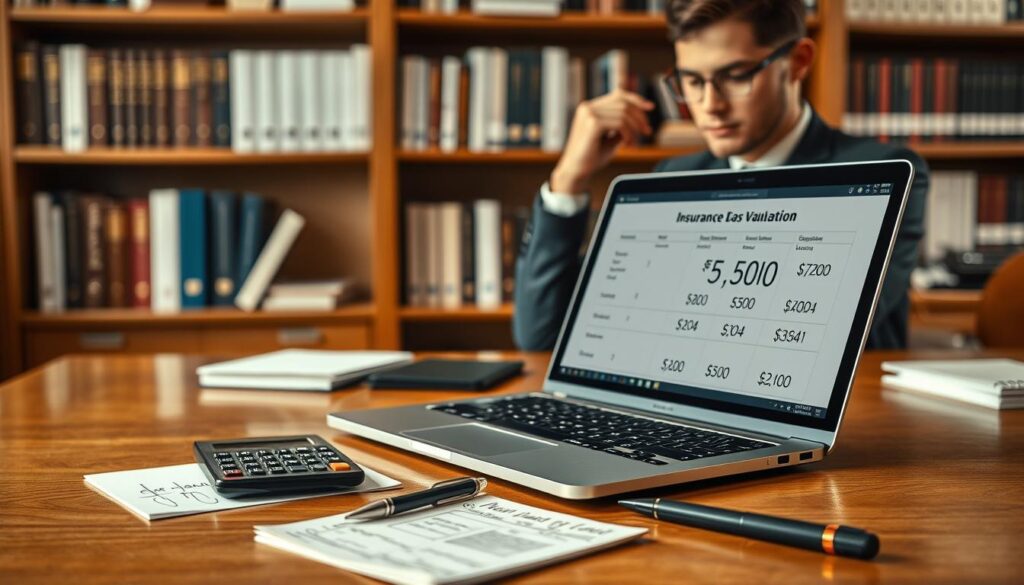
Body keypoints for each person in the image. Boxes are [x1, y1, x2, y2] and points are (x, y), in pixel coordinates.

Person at [513, 0, 928, 351]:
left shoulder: (882, 174)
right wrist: (568, 179)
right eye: (692, 80)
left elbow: (814, 339)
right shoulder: (672, 177)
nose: (708, 105)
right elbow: (541, 334)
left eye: (735, 76)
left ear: (798, 62)